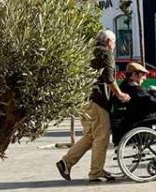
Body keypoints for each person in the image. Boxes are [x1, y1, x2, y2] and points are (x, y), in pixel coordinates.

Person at [56, 30, 131, 183]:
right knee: (102, 136)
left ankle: (67, 162)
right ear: (109, 41)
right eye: (114, 42)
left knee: (91, 135)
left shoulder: (89, 50)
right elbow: (110, 79)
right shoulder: (105, 53)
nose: (114, 45)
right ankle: (95, 172)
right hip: (97, 100)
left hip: (84, 99)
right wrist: (120, 94)